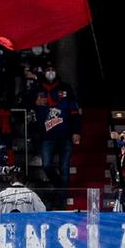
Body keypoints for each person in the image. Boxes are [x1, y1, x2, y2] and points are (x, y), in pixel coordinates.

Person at [26, 61, 81, 191]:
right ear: (44, 72)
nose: (50, 72)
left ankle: (61, 199)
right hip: (47, 136)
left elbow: (74, 111)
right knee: (46, 166)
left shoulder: (66, 88)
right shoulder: (37, 88)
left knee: (64, 168)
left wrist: (76, 131)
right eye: (48, 69)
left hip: (65, 135)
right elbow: (24, 102)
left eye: (53, 69)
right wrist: (35, 101)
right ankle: (59, 187)